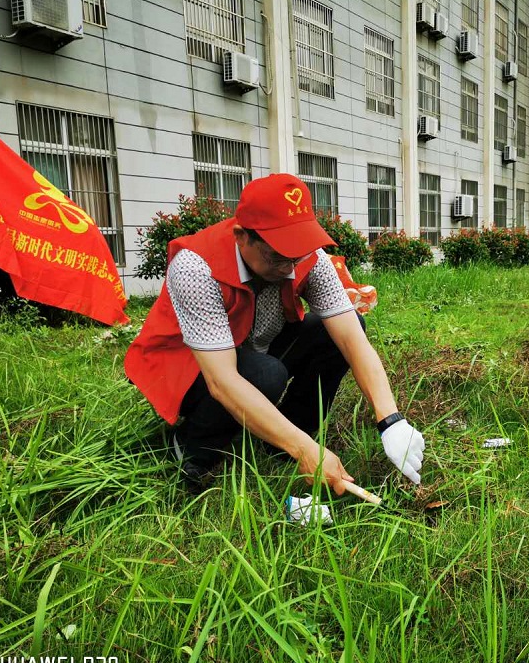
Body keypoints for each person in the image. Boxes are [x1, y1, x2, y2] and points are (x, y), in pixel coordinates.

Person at [125, 173, 425, 494]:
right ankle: (194, 449)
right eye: (279, 255)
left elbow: (352, 339)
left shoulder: (309, 259)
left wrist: (391, 420)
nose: (290, 267)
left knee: (335, 334)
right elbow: (222, 381)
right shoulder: (196, 268)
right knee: (264, 374)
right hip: (187, 366)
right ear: (242, 236)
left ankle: (283, 441)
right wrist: (305, 450)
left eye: (297, 253)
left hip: (254, 344)